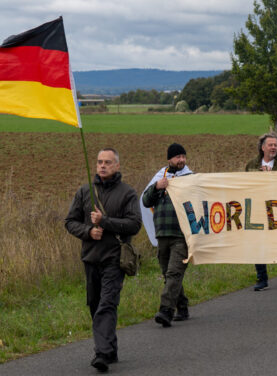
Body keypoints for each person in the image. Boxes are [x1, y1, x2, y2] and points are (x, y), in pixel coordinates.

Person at [65, 148, 142, 372]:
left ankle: (102, 354)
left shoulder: (127, 193)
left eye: (107, 162)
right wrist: (88, 231)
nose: (102, 166)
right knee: (95, 305)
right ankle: (110, 348)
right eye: (99, 162)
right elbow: (70, 222)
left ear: (117, 166)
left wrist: (105, 221)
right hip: (91, 258)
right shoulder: (84, 191)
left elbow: (134, 224)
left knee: (107, 305)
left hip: (115, 260)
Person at [142, 143, 193, 327]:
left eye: (183, 156)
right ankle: (183, 306)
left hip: (181, 234)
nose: (181, 160)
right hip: (162, 233)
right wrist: (156, 187)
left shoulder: (190, 177)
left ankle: (166, 310)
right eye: (178, 157)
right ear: (169, 159)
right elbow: (145, 201)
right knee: (167, 273)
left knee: (174, 272)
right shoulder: (160, 177)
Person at [245, 132, 277, 291]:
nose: (273, 148)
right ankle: (262, 278)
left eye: (275, 145)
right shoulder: (252, 164)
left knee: (276, 243)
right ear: (262, 147)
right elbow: (245, 185)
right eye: (270, 145)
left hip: (276, 209)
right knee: (258, 244)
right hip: (257, 209)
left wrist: (269, 177)